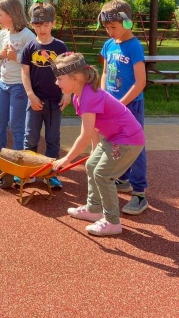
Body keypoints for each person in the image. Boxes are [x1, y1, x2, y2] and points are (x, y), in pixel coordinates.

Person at [51, 52, 145, 236]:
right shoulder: (80, 95)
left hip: (127, 140)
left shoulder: (88, 97)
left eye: (60, 79)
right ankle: (94, 209)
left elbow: (85, 135)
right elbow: (93, 129)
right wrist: (95, 150)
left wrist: (67, 160)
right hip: (114, 138)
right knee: (92, 165)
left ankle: (112, 222)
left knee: (103, 174)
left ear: (76, 78)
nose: (56, 83)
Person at [99, 0, 149, 215]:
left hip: (131, 106)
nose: (109, 32)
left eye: (113, 27)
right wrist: (103, 98)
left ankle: (139, 193)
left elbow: (141, 82)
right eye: (106, 28)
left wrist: (120, 104)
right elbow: (104, 73)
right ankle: (123, 178)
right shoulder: (108, 45)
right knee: (115, 142)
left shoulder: (134, 46)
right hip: (113, 106)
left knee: (135, 145)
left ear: (127, 23)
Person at [20, 0, 71, 188]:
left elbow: (67, 72)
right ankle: (29, 172)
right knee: (30, 137)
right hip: (35, 101)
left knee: (53, 139)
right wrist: (30, 95)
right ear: (32, 25)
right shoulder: (29, 47)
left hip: (55, 102)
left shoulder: (60, 47)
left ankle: (51, 173)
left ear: (53, 23)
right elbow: (25, 74)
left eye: (46, 25)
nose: (42, 29)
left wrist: (67, 94)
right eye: (38, 25)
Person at [0, 0, 34, 169]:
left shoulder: (28, 36)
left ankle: (18, 159)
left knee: (17, 126)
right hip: (3, 84)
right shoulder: (3, 33)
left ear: (10, 15)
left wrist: (16, 56)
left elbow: (35, 62)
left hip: (19, 86)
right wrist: (2, 54)